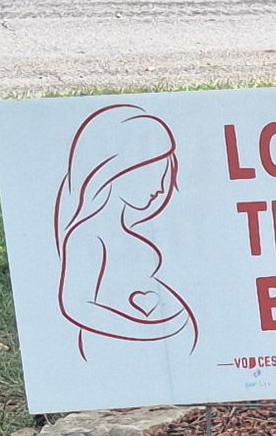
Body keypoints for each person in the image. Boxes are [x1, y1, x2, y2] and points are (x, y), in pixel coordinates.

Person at [50, 103, 197, 359]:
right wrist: (151, 330)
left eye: (164, 174)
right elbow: (76, 304)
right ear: (116, 170)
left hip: (152, 349)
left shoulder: (122, 232)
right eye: (152, 174)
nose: (160, 187)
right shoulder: (87, 235)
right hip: (115, 348)